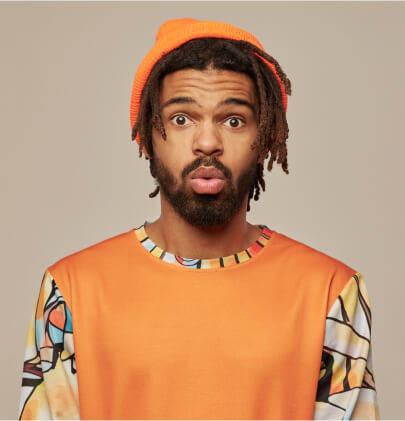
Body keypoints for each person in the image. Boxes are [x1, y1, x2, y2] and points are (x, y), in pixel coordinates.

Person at [18, 18, 380, 420]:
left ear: (265, 139)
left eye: (233, 120)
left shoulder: (330, 291)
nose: (207, 143)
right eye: (181, 119)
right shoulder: (72, 290)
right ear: (146, 137)